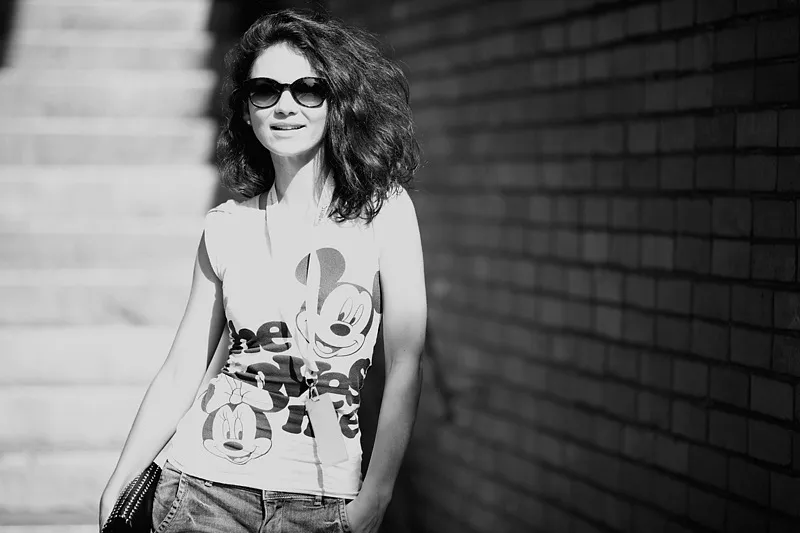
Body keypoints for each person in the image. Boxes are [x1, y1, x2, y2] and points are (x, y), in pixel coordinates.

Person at [99, 9, 426, 533]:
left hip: (325, 501)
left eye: (308, 89)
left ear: (337, 101)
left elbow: (406, 362)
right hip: (204, 492)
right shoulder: (226, 226)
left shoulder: (383, 210)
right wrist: (121, 479)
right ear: (247, 109)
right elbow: (183, 368)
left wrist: (376, 496)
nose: (285, 105)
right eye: (265, 91)